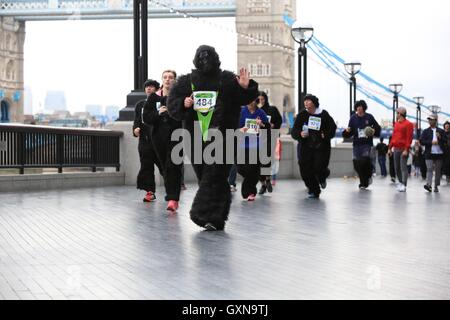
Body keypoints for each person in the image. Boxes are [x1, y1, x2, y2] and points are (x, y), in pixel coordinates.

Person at [167, 45, 259, 231]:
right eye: (200, 57)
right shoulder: (186, 82)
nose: (204, 60)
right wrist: (183, 104)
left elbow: (245, 97)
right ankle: (217, 218)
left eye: (208, 56)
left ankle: (202, 214)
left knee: (214, 174)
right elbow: (172, 106)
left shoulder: (227, 79)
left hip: (223, 136)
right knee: (206, 177)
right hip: (195, 137)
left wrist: (245, 87)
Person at [142, 70, 183, 212]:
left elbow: (185, 114)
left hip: (176, 136)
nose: (167, 80)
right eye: (165, 77)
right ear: (162, 80)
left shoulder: (179, 97)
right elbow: (146, 118)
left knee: (173, 166)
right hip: (158, 138)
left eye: (171, 77)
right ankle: (171, 194)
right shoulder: (154, 98)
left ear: (175, 80)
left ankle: (173, 199)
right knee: (165, 168)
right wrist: (157, 113)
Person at [291, 94, 337, 198]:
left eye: (308, 101)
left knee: (319, 167)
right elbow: (294, 131)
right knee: (305, 169)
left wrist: (325, 134)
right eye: (305, 101)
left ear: (314, 103)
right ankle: (314, 190)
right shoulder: (302, 115)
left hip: (321, 147)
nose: (306, 102)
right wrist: (300, 134)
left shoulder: (323, 114)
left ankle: (323, 176)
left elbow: (332, 128)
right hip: (306, 147)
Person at [133, 79, 162, 202]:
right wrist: (135, 129)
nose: (148, 89)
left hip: (160, 140)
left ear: (156, 89)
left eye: (151, 87)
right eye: (147, 87)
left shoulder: (161, 102)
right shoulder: (140, 105)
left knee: (165, 166)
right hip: (145, 141)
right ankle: (150, 192)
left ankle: (174, 188)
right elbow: (136, 121)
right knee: (146, 166)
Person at [342, 100, 381, 189]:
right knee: (356, 164)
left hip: (367, 144)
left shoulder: (369, 117)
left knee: (364, 161)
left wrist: (374, 130)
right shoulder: (353, 118)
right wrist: (346, 131)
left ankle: (365, 180)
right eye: (357, 107)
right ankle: (364, 180)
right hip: (356, 144)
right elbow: (349, 132)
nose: (359, 109)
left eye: (361, 107)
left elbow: (377, 127)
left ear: (364, 108)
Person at [238, 98, 269, 201]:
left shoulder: (261, 113)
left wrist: (262, 125)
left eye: (254, 101)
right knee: (242, 169)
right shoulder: (241, 111)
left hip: (256, 145)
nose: (251, 103)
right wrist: (240, 130)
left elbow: (268, 129)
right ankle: (251, 184)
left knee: (252, 169)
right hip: (241, 145)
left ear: (257, 101)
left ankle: (250, 192)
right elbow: (233, 127)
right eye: (249, 100)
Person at [256, 91, 282, 195]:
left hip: (271, 137)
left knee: (266, 160)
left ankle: (267, 179)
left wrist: (273, 125)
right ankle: (263, 183)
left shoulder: (272, 109)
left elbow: (279, 121)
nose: (261, 101)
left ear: (266, 99)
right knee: (257, 162)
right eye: (260, 100)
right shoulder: (258, 111)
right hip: (260, 138)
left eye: (263, 99)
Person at [387, 107, 414, 192]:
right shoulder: (396, 124)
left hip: (403, 149)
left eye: (397, 113)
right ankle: (401, 183)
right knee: (397, 168)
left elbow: (409, 138)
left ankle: (404, 185)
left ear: (401, 114)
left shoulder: (409, 124)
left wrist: (406, 149)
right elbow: (393, 137)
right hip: (396, 149)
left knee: (403, 167)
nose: (396, 114)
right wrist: (389, 148)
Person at [420, 114, 448, 192]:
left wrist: (440, 138)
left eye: (431, 119)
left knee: (438, 170)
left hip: (439, 153)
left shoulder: (441, 131)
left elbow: (446, 141)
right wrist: (431, 142)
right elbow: (421, 141)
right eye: (429, 119)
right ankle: (428, 184)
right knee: (429, 169)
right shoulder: (425, 131)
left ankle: (436, 186)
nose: (430, 121)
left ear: (435, 120)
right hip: (429, 153)